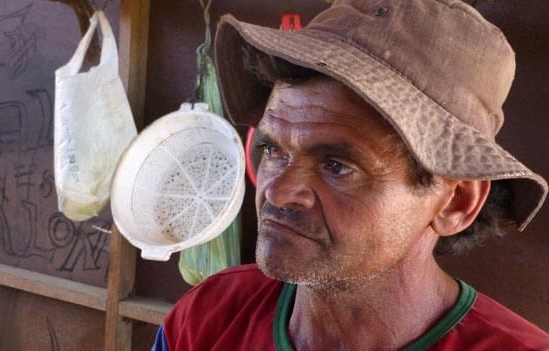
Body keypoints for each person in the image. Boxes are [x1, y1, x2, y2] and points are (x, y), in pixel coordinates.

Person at [153, 0, 549, 349]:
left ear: (456, 203)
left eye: (337, 167)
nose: (278, 191)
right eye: (274, 150)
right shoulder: (208, 317)